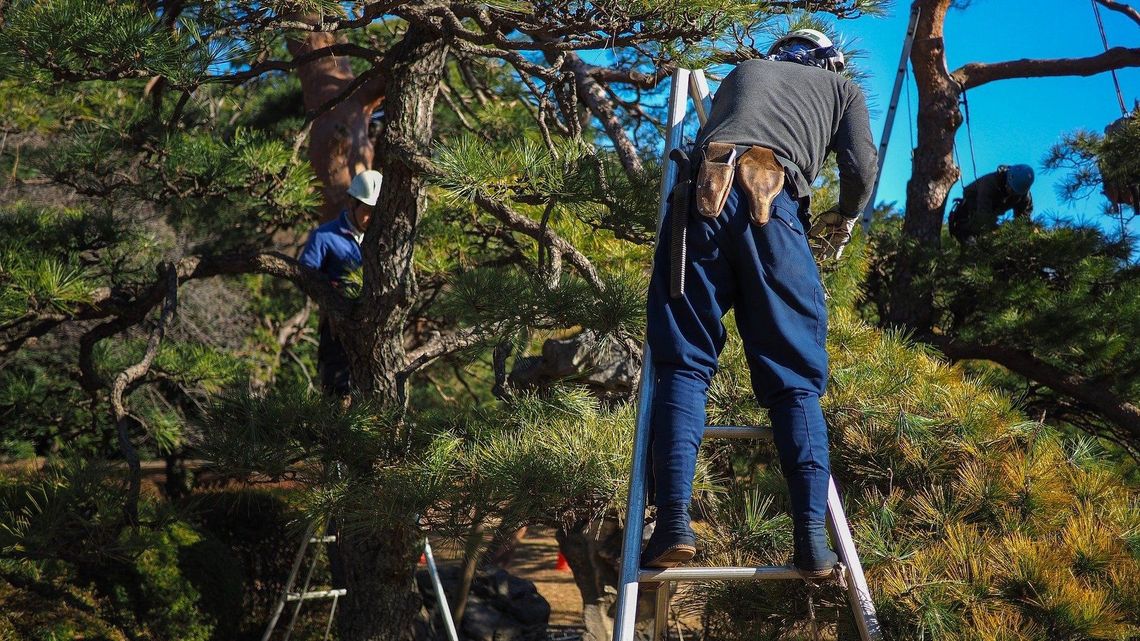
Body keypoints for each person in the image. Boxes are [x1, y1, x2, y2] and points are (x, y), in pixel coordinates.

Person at [641, 29, 876, 578]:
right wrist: (843, 217)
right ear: (831, 63)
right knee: (795, 380)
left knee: (683, 364)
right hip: (775, 209)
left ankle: (672, 525)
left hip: (700, 201)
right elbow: (861, 167)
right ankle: (811, 541)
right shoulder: (843, 89)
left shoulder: (742, 73)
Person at [297, 169, 383, 395]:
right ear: (352, 203)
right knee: (337, 392)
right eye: (367, 211)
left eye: (376, 212)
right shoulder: (324, 237)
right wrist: (333, 291)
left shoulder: (383, 239)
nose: (371, 218)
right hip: (337, 328)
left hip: (374, 330)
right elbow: (304, 276)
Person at [948, 164, 1035, 244]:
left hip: (990, 215)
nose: (1011, 192)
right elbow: (984, 215)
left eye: (1014, 192)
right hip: (969, 215)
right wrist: (1000, 233)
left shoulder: (1023, 195)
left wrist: (1021, 234)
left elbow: (1024, 219)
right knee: (976, 238)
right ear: (1008, 177)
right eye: (1010, 188)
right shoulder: (989, 184)